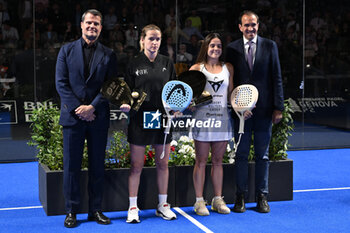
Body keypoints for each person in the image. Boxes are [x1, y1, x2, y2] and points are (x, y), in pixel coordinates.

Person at [55, 9, 117, 228]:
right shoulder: (66, 50)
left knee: (97, 165)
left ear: (101, 27)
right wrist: (79, 109)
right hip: (73, 119)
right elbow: (61, 84)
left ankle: (95, 210)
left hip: (98, 117)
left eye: (97, 24)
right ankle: (71, 211)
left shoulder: (108, 54)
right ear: (81, 25)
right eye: (89, 23)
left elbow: (110, 85)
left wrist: (91, 107)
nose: (92, 27)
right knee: (71, 166)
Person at [226, 10, 284, 213]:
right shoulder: (231, 49)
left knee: (263, 156)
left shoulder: (270, 46)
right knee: (241, 155)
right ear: (240, 27)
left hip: (265, 111)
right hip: (240, 113)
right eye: (246, 25)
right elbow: (229, 80)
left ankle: (262, 197)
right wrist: (234, 106)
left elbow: (276, 77)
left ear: (258, 26)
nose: (250, 28)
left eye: (253, 25)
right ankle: (240, 197)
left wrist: (278, 107)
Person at [120, 24, 177, 223]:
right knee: (136, 165)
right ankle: (133, 207)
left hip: (162, 119)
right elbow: (125, 92)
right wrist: (126, 103)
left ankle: (162, 205)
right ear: (142, 40)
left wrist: (176, 107)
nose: (154, 42)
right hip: (139, 119)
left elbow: (174, 90)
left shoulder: (167, 63)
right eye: (151, 38)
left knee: (163, 163)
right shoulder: (133, 63)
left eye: (158, 39)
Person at [189, 33, 233, 216]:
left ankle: (217, 199)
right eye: (213, 45)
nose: (216, 49)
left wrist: (243, 107)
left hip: (222, 120)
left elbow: (232, 95)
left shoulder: (228, 68)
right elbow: (189, 97)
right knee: (200, 161)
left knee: (218, 161)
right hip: (202, 120)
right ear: (206, 47)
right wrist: (190, 104)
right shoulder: (197, 68)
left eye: (219, 46)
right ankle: (199, 201)